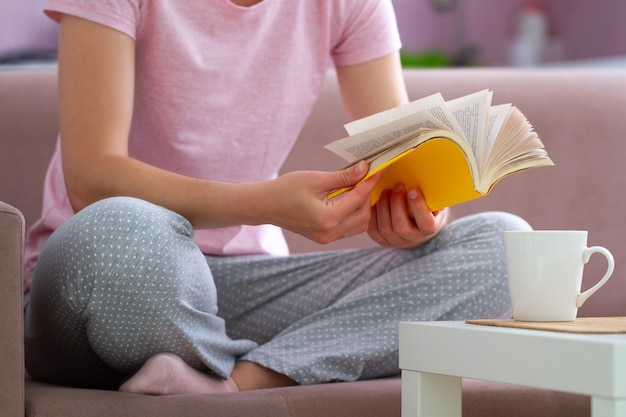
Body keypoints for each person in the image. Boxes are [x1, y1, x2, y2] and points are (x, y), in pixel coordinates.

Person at [23, 0, 531, 395]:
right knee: (125, 229)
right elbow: (90, 179)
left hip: (246, 289)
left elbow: (402, 162)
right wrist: (265, 203)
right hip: (116, 279)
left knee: (509, 247)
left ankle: (236, 382)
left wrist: (421, 215)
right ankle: (276, 357)